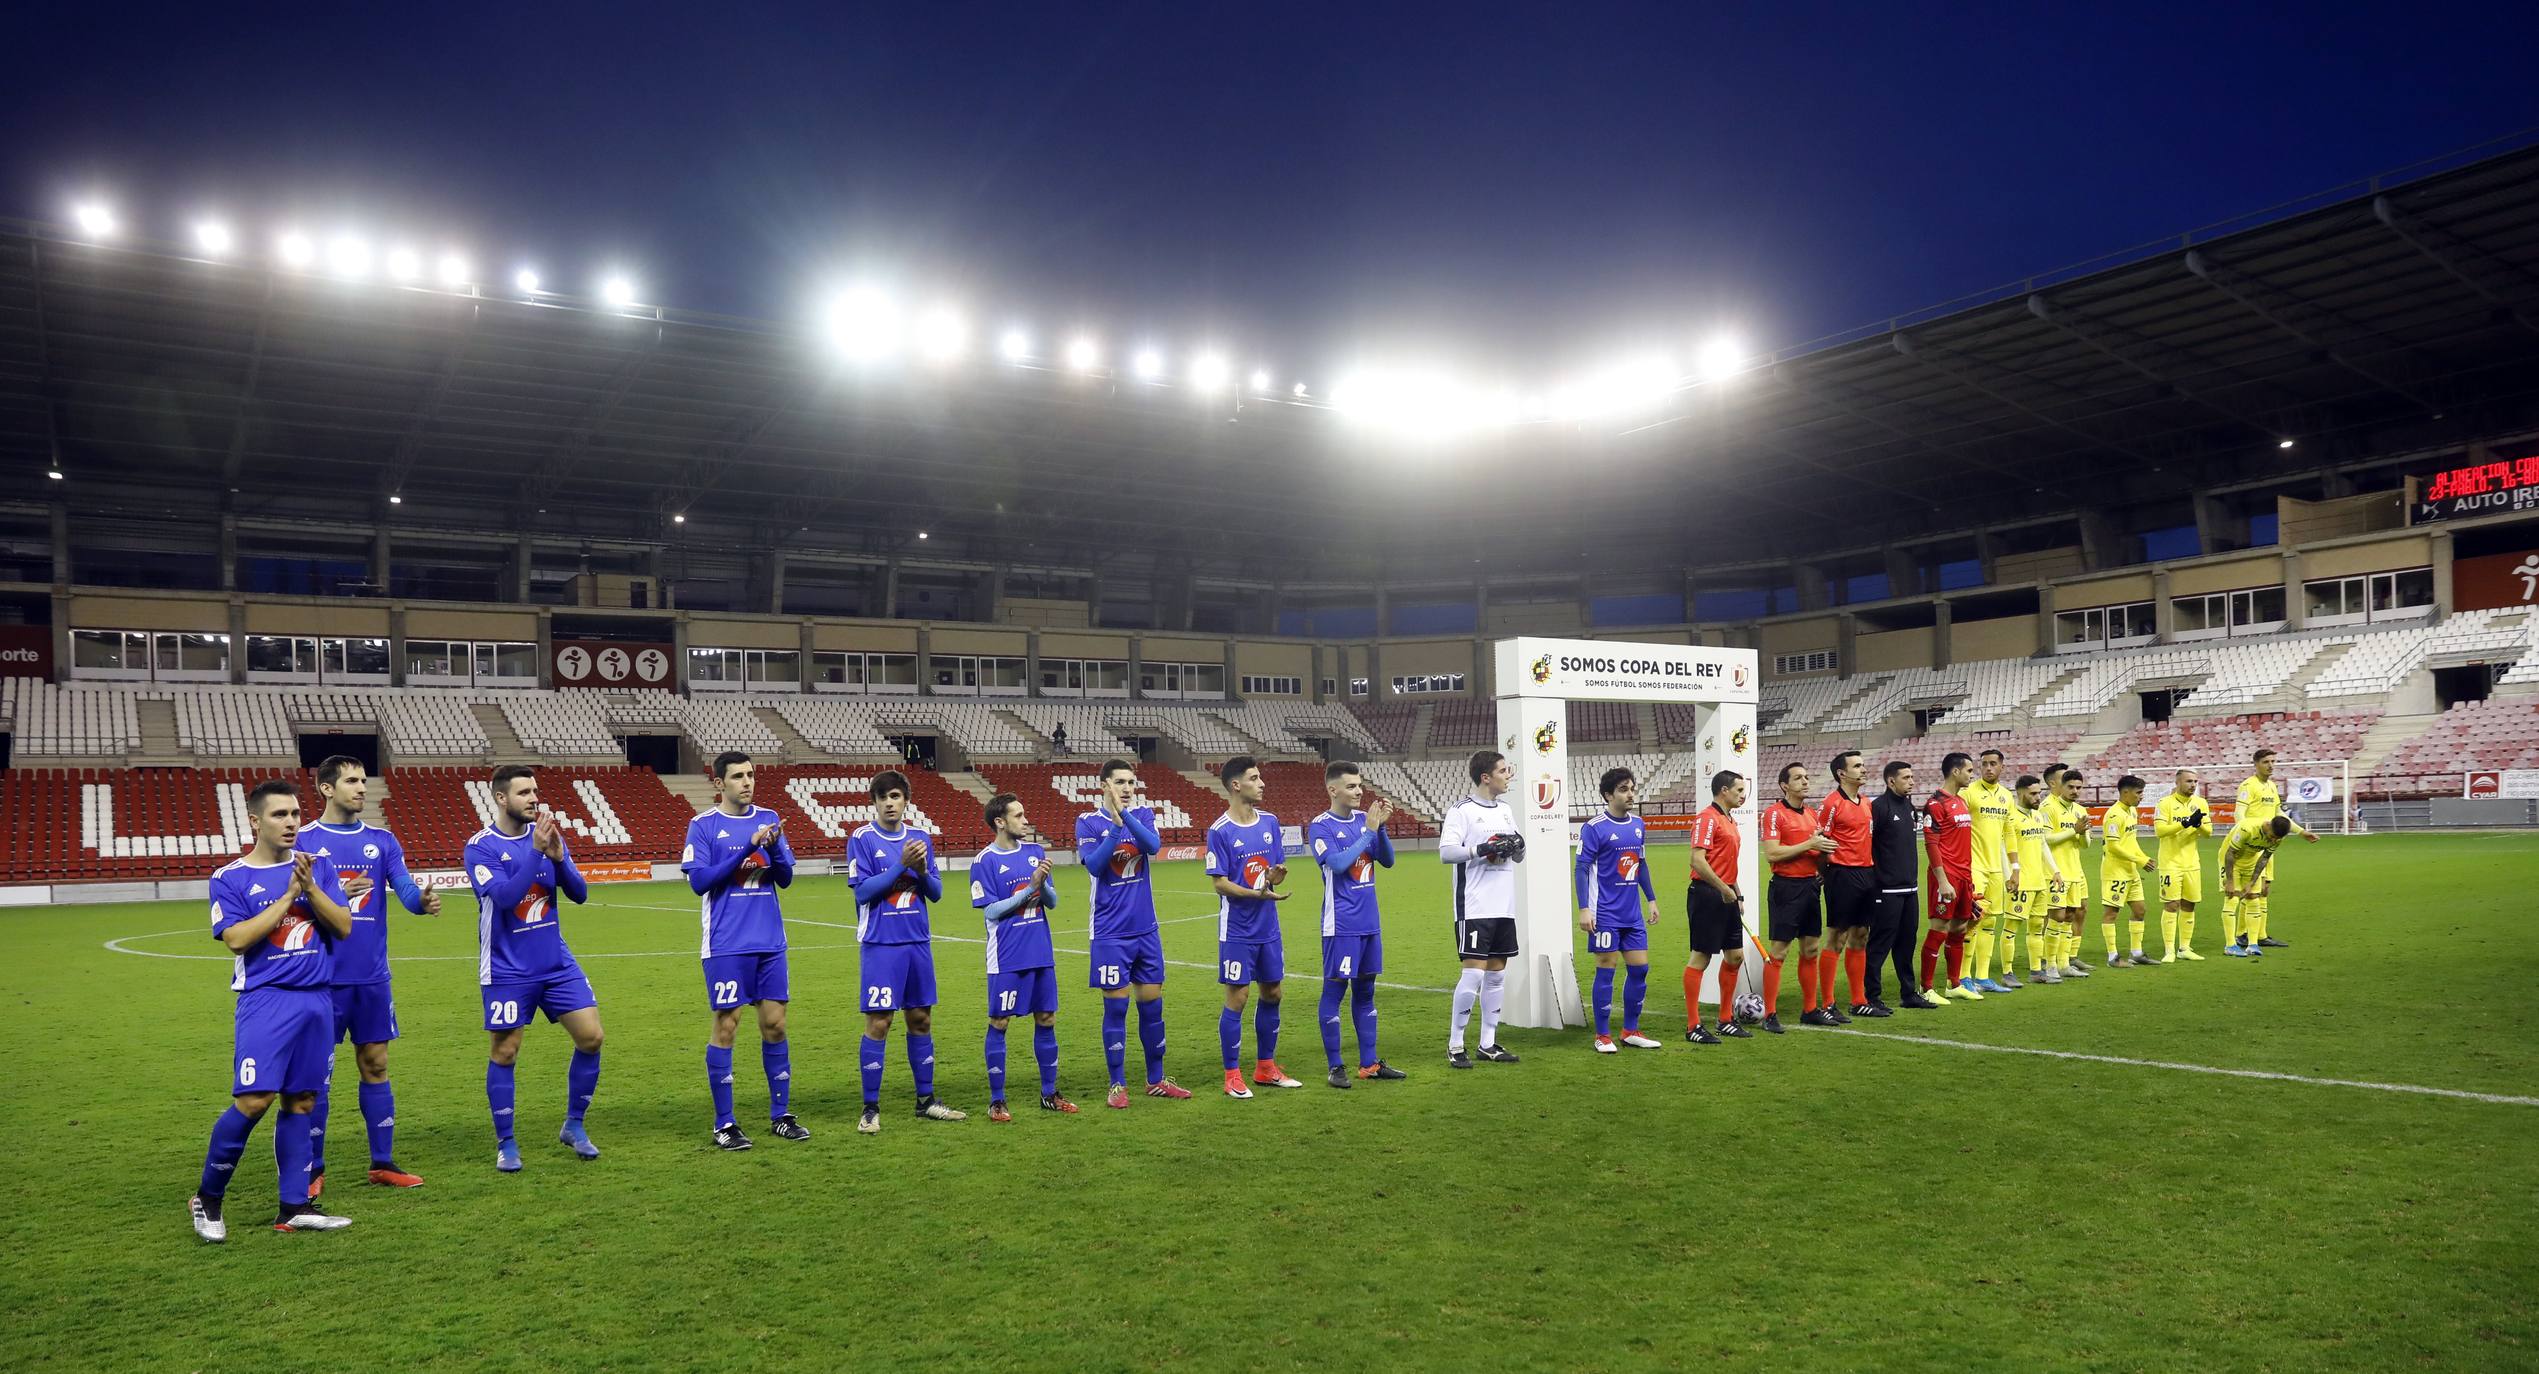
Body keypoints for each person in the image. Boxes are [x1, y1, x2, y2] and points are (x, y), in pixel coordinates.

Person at [190, 780, 357, 1242]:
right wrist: (288, 896)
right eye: (280, 815)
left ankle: (294, 1206)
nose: (291, 823)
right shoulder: (230, 877)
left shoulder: (317, 867)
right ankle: (207, 1199)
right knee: (254, 1100)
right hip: (266, 1000)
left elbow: (343, 926)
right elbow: (238, 939)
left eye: (296, 814)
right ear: (255, 821)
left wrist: (310, 889)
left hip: (318, 1000)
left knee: (302, 1100)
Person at [296, 755, 438, 1195]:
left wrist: (422, 902)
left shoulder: (382, 840)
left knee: (375, 1064)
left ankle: (382, 1163)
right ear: (325, 788)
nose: (362, 788)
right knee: (316, 1077)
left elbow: (405, 888)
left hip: (372, 978)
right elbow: (287, 907)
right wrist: (334, 892)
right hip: (322, 978)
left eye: (363, 780)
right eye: (352, 781)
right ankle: (313, 1170)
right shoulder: (302, 841)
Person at [465, 764, 602, 1173]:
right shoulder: (481, 847)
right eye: (524, 792)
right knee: (505, 1051)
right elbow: (506, 897)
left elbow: (578, 894)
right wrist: (538, 853)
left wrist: (559, 859)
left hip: (554, 961)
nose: (533, 798)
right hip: (507, 967)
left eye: (535, 791)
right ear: (501, 798)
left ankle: (574, 1126)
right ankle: (506, 1142)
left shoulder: (547, 837)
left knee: (592, 1037)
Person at [681, 751, 806, 1151]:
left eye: (750, 775)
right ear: (719, 784)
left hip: (769, 941)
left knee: (776, 1025)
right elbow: (701, 882)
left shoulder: (768, 819)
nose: (747, 782)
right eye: (737, 777)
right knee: (727, 1025)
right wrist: (745, 849)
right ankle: (725, 1123)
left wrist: (773, 846)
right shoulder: (703, 826)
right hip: (726, 944)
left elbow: (784, 878)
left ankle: (781, 1116)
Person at [848, 770, 965, 1133]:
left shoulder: (920, 838)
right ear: (874, 802)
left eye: (895, 796)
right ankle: (870, 1108)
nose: (889, 803)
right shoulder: (863, 839)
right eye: (882, 797)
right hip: (881, 944)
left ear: (906, 801)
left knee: (921, 1020)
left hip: (917, 942)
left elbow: (935, 893)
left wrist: (920, 869)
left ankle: (926, 1101)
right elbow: (863, 892)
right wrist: (901, 865)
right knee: (879, 1023)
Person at [1076, 760, 1190, 1106]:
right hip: (1110, 932)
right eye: (1119, 782)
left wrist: (1124, 817)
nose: (1127, 788)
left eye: (1131, 782)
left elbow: (1152, 846)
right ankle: (1116, 1084)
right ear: (1104, 786)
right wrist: (1113, 828)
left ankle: (1155, 1079)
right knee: (1116, 1009)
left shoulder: (1142, 815)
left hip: (1146, 930)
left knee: (1152, 1007)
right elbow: (1095, 865)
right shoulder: (1087, 821)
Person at [971, 792, 1075, 1118]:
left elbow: (1053, 902)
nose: (1025, 820)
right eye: (1018, 815)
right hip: (1006, 956)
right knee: (999, 1022)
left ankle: (1049, 1093)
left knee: (1047, 1019)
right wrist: (1030, 888)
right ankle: (997, 1100)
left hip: (1040, 952)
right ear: (1000, 822)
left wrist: (1042, 884)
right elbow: (990, 911)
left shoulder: (1035, 852)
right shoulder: (984, 861)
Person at [1307, 761, 1405, 1087]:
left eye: (1360, 785)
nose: (1359, 791)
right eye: (1351, 786)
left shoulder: (1366, 821)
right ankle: (1336, 1067)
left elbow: (1388, 861)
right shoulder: (1320, 826)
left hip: (1369, 923)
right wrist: (1369, 832)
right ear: (1332, 790)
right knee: (1334, 991)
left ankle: (1369, 1064)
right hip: (1341, 925)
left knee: (1366, 993)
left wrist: (1382, 828)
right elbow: (1337, 863)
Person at [1208, 756, 1301, 1098]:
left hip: (1268, 927)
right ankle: (1232, 1074)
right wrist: (1257, 893)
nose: (1262, 783)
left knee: (1273, 993)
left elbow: (1272, 871)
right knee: (1239, 997)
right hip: (1236, 930)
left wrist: (1273, 878)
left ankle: (1266, 1068)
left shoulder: (1271, 822)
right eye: (1254, 778)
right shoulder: (1220, 830)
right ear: (1236, 785)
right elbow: (1219, 883)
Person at [1439, 750, 1524, 1067]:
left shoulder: (1505, 810)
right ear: (1486, 777)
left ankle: (1488, 1042)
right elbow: (1446, 853)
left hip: (1504, 905)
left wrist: (1517, 846)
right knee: (1473, 975)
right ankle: (1456, 1044)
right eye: (1503, 770)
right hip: (1474, 905)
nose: (1508, 775)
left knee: (1497, 976)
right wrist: (1483, 848)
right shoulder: (1461, 811)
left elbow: (1517, 855)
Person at [1576, 766, 1661, 1052]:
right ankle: (1602, 1035)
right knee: (1606, 969)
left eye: (1632, 788)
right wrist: (1584, 909)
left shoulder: (1638, 824)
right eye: (1623, 789)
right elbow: (1582, 869)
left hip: (1632, 914)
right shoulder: (1594, 827)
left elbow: (1642, 864)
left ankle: (1630, 1031)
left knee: (1640, 969)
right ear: (1607, 795)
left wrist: (1650, 898)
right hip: (1605, 914)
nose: (1630, 794)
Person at [1762, 762, 1841, 1031]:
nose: (1805, 782)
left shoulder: (1812, 815)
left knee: (1810, 949)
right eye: (1798, 778)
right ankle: (1769, 1014)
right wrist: (1811, 844)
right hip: (1786, 888)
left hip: (1809, 887)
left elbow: (1817, 851)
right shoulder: (1774, 813)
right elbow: (1772, 853)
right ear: (1785, 785)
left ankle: (1810, 1009)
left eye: (1807, 777)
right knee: (1779, 952)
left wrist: (1824, 858)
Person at [1682, 771, 1753, 1041]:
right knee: (1701, 957)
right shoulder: (1706, 818)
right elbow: (1697, 860)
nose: (1742, 795)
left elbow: (1727, 864)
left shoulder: (1729, 820)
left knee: (1735, 956)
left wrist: (1737, 893)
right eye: (1738, 790)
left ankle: (1725, 1019)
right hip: (1707, 894)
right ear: (1723, 790)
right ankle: (1693, 1026)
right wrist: (1723, 889)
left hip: (1726, 895)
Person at [1867, 759, 1937, 1012]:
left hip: (1910, 889)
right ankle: (1871, 996)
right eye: (1906, 778)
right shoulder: (1879, 807)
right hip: (1886, 890)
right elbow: (1869, 846)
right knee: (1880, 944)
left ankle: (1909, 993)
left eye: (1911, 777)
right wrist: (1877, 880)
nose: (1912, 781)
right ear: (1890, 781)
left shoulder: (1908, 806)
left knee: (1907, 943)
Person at [2231, 749, 2318, 949]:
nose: (2270, 765)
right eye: (2265, 762)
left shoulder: (2271, 786)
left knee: (2264, 890)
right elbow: (2239, 814)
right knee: (2252, 890)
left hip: (2268, 844)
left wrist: (2301, 832)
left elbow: (2279, 813)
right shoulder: (2248, 786)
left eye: (2273, 761)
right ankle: (2242, 934)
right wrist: (2245, 837)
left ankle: (2260, 934)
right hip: (2253, 845)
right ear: (2256, 764)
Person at [1814, 749, 1876, 1019]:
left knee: (1861, 935)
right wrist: (1824, 872)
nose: (1863, 769)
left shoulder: (1866, 802)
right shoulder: (1831, 803)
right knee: (1837, 937)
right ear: (1842, 773)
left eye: (1863, 765)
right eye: (1857, 766)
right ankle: (1827, 1003)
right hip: (1841, 874)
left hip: (1866, 873)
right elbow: (1820, 840)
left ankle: (1858, 999)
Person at [1922, 752, 1983, 1001]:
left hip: (1963, 875)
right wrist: (1943, 880)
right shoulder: (1936, 803)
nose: (1972, 774)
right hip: (1944, 876)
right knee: (1940, 927)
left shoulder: (1961, 802)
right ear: (1955, 771)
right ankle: (1926, 989)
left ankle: (1954, 983)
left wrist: (1968, 878)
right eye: (1969, 770)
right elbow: (1931, 844)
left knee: (1959, 926)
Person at [1963, 749, 2023, 994]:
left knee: (1991, 921)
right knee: (1972, 921)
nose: (1988, 768)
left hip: (1997, 869)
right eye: (1984, 764)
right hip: (1974, 866)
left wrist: (2015, 869)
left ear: (2002, 767)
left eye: (1993, 764)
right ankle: (1963, 976)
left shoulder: (2007, 797)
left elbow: (2009, 834)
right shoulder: (1968, 793)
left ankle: (1984, 977)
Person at [2007, 775, 2066, 983]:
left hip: (2039, 881)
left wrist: (2055, 870)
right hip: (2020, 882)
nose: (2037, 797)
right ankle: (2007, 973)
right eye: (2033, 793)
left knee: (2036, 927)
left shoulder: (2038, 816)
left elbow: (2042, 845)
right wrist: (2010, 876)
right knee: (2011, 927)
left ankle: (2035, 972)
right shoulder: (2011, 817)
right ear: (2020, 793)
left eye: (2039, 793)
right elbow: (2006, 850)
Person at [2097, 775, 2157, 966]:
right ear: (2125, 792)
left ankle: (2136, 953)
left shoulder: (2131, 812)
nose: (2141, 797)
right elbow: (2114, 846)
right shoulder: (2114, 815)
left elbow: (2131, 842)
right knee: (2111, 913)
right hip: (2115, 872)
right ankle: (2112, 957)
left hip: (2131, 871)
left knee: (2140, 910)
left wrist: (2143, 857)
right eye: (2138, 793)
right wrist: (2140, 860)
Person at [2221, 813, 2299, 958]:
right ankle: (2230, 945)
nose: (2273, 840)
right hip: (2232, 860)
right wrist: (2230, 881)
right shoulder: (2247, 828)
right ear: (2268, 825)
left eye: (2277, 838)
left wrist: (2252, 882)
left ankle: (2252, 945)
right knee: (2232, 898)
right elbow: (2230, 853)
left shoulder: (2278, 837)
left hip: (2251, 861)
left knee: (2254, 898)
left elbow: (2264, 858)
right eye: (2272, 836)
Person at [2152, 770, 2211, 962]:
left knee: (2189, 904)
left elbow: (2208, 832)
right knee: (2171, 904)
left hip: (2192, 863)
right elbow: (2160, 831)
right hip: (2170, 863)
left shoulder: (2201, 803)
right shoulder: (2165, 803)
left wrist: (2198, 824)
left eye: (2195, 781)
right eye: (2188, 781)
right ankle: (2169, 950)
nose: (2193, 785)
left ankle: (2184, 948)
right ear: (2178, 782)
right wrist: (2185, 823)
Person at [2044, 768, 2094, 979]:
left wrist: (2081, 833)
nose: (2075, 791)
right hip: (2055, 871)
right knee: (2056, 916)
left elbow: (2086, 844)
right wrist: (2074, 830)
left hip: (2074, 871)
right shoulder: (2048, 807)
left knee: (2070, 916)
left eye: (2078, 788)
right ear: (2061, 786)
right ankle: (2050, 964)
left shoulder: (2080, 810)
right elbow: (2046, 839)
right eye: (2071, 787)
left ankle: (2064, 963)